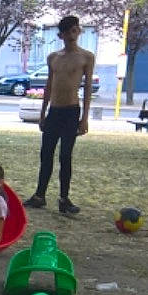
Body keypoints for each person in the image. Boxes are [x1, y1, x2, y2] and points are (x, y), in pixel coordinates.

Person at [31, 15, 95, 215]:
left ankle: (64, 199)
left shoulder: (86, 57)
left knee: (65, 156)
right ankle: (39, 196)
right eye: (67, 32)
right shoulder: (53, 58)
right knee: (46, 154)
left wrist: (84, 118)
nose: (71, 35)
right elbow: (49, 86)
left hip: (71, 111)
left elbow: (87, 87)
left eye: (74, 30)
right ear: (61, 35)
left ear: (79, 31)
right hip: (54, 111)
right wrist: (43, 113)